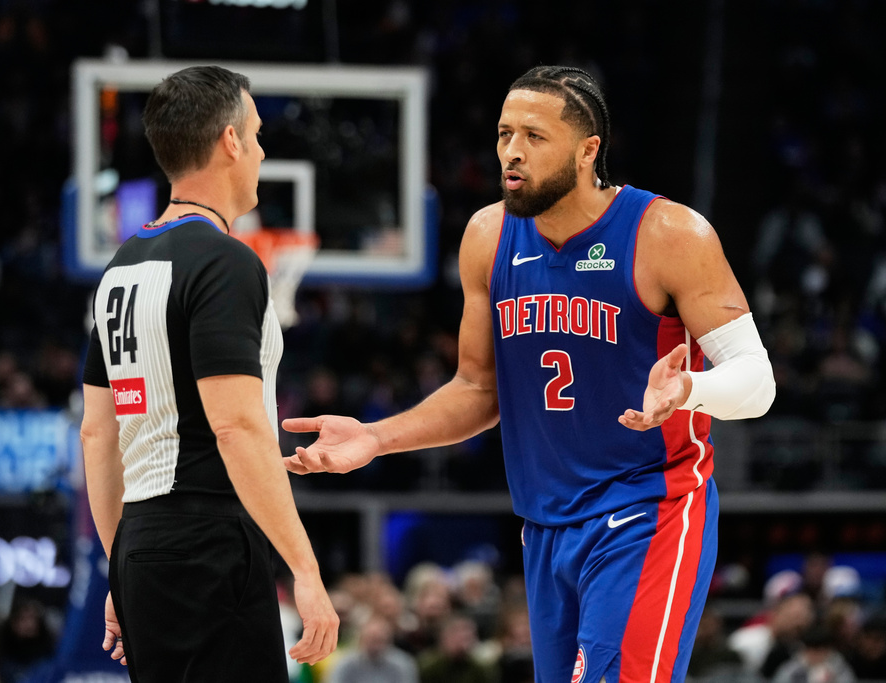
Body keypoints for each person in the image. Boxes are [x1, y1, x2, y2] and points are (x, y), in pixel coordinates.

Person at [283, 65, 776, 683]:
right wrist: (379, 437)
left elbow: (757, 381)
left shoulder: (670, 235)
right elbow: (477, 389)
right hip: (544, 524)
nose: (511, 151)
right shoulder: (488, 236)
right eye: (503, 133)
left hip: (650, 506)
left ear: (588, 150)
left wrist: (689, 391)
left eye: (534, 137)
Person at [80, 65, 338, 682]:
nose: (261, 150)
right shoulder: (225, 262)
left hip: (140, 543)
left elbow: (98, 432)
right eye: (256, 133)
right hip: (210, 541)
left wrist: (120, 566)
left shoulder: (120, 267)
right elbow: (238, 428)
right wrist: (304, 568)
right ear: (229, 141)